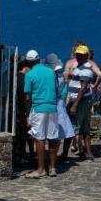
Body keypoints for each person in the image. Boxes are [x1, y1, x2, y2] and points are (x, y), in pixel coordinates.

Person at [23, 50, 60, 178]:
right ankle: (53, 168)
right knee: (52, 137)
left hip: (38, 108)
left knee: (39, 138)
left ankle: (40, 169)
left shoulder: (29, 74)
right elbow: (56, 89)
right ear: (39, 60)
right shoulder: (51, 72)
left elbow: (28, 97)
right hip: (52, 107)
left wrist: (28, 115)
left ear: (28, 62)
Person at [66, 45, 96, 162]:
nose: (78, 56)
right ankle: (88, 154)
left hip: (80, 102)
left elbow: (83, 88)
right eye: (77, 54)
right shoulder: (77, 66)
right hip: (76, 100)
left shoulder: (86, 69)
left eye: (81, 55)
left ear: (86, 56)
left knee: (75, 127)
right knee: (82, 126)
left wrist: (74, 105)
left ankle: (66, 154)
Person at [44, 53, 75, 164]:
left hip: (52, 103)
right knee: (66, 131)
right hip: (59, 103)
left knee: (54, 133)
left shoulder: (50, 78)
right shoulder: (62, 77)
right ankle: (62, 154)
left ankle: (55, 156)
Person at [14, 59, 33, 164]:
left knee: (19, 134)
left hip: (15, 109)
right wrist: (28, 113)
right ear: (25, 67)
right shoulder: (25, 79)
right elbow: (27, 97)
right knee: (22, 135)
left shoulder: (13, 76)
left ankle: (20, 154)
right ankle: (21, 155)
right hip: (22, 110)